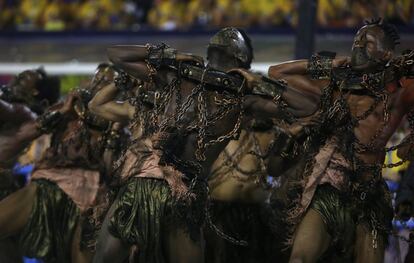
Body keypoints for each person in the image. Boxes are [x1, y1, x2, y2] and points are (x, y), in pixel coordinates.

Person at [88, 27, 319, 263]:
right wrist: (172, 55)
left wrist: (261, 83)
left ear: (243, 63)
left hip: (185, 195)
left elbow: (309, 108)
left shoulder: (242, 100)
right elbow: (116, 55)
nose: (226, 37)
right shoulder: (176, 77)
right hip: (144, 181)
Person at [267, 18, 414, 262]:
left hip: (369, 195)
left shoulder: (397, 93)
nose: (357, 46)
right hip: (329, 188)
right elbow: (276, 73)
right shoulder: (333, 87)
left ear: (386, 52)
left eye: (366, 42)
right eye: (356, 40)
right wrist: (329, 63)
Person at [0, 63, 125, 263]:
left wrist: (114, 133)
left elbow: (110, 169)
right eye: (98, 78)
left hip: (89, 195)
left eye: (107, 81)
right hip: (47, 183)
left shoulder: (117, 122)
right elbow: (36, 128)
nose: (99, 83)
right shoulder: (67, 107)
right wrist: (64, 110)